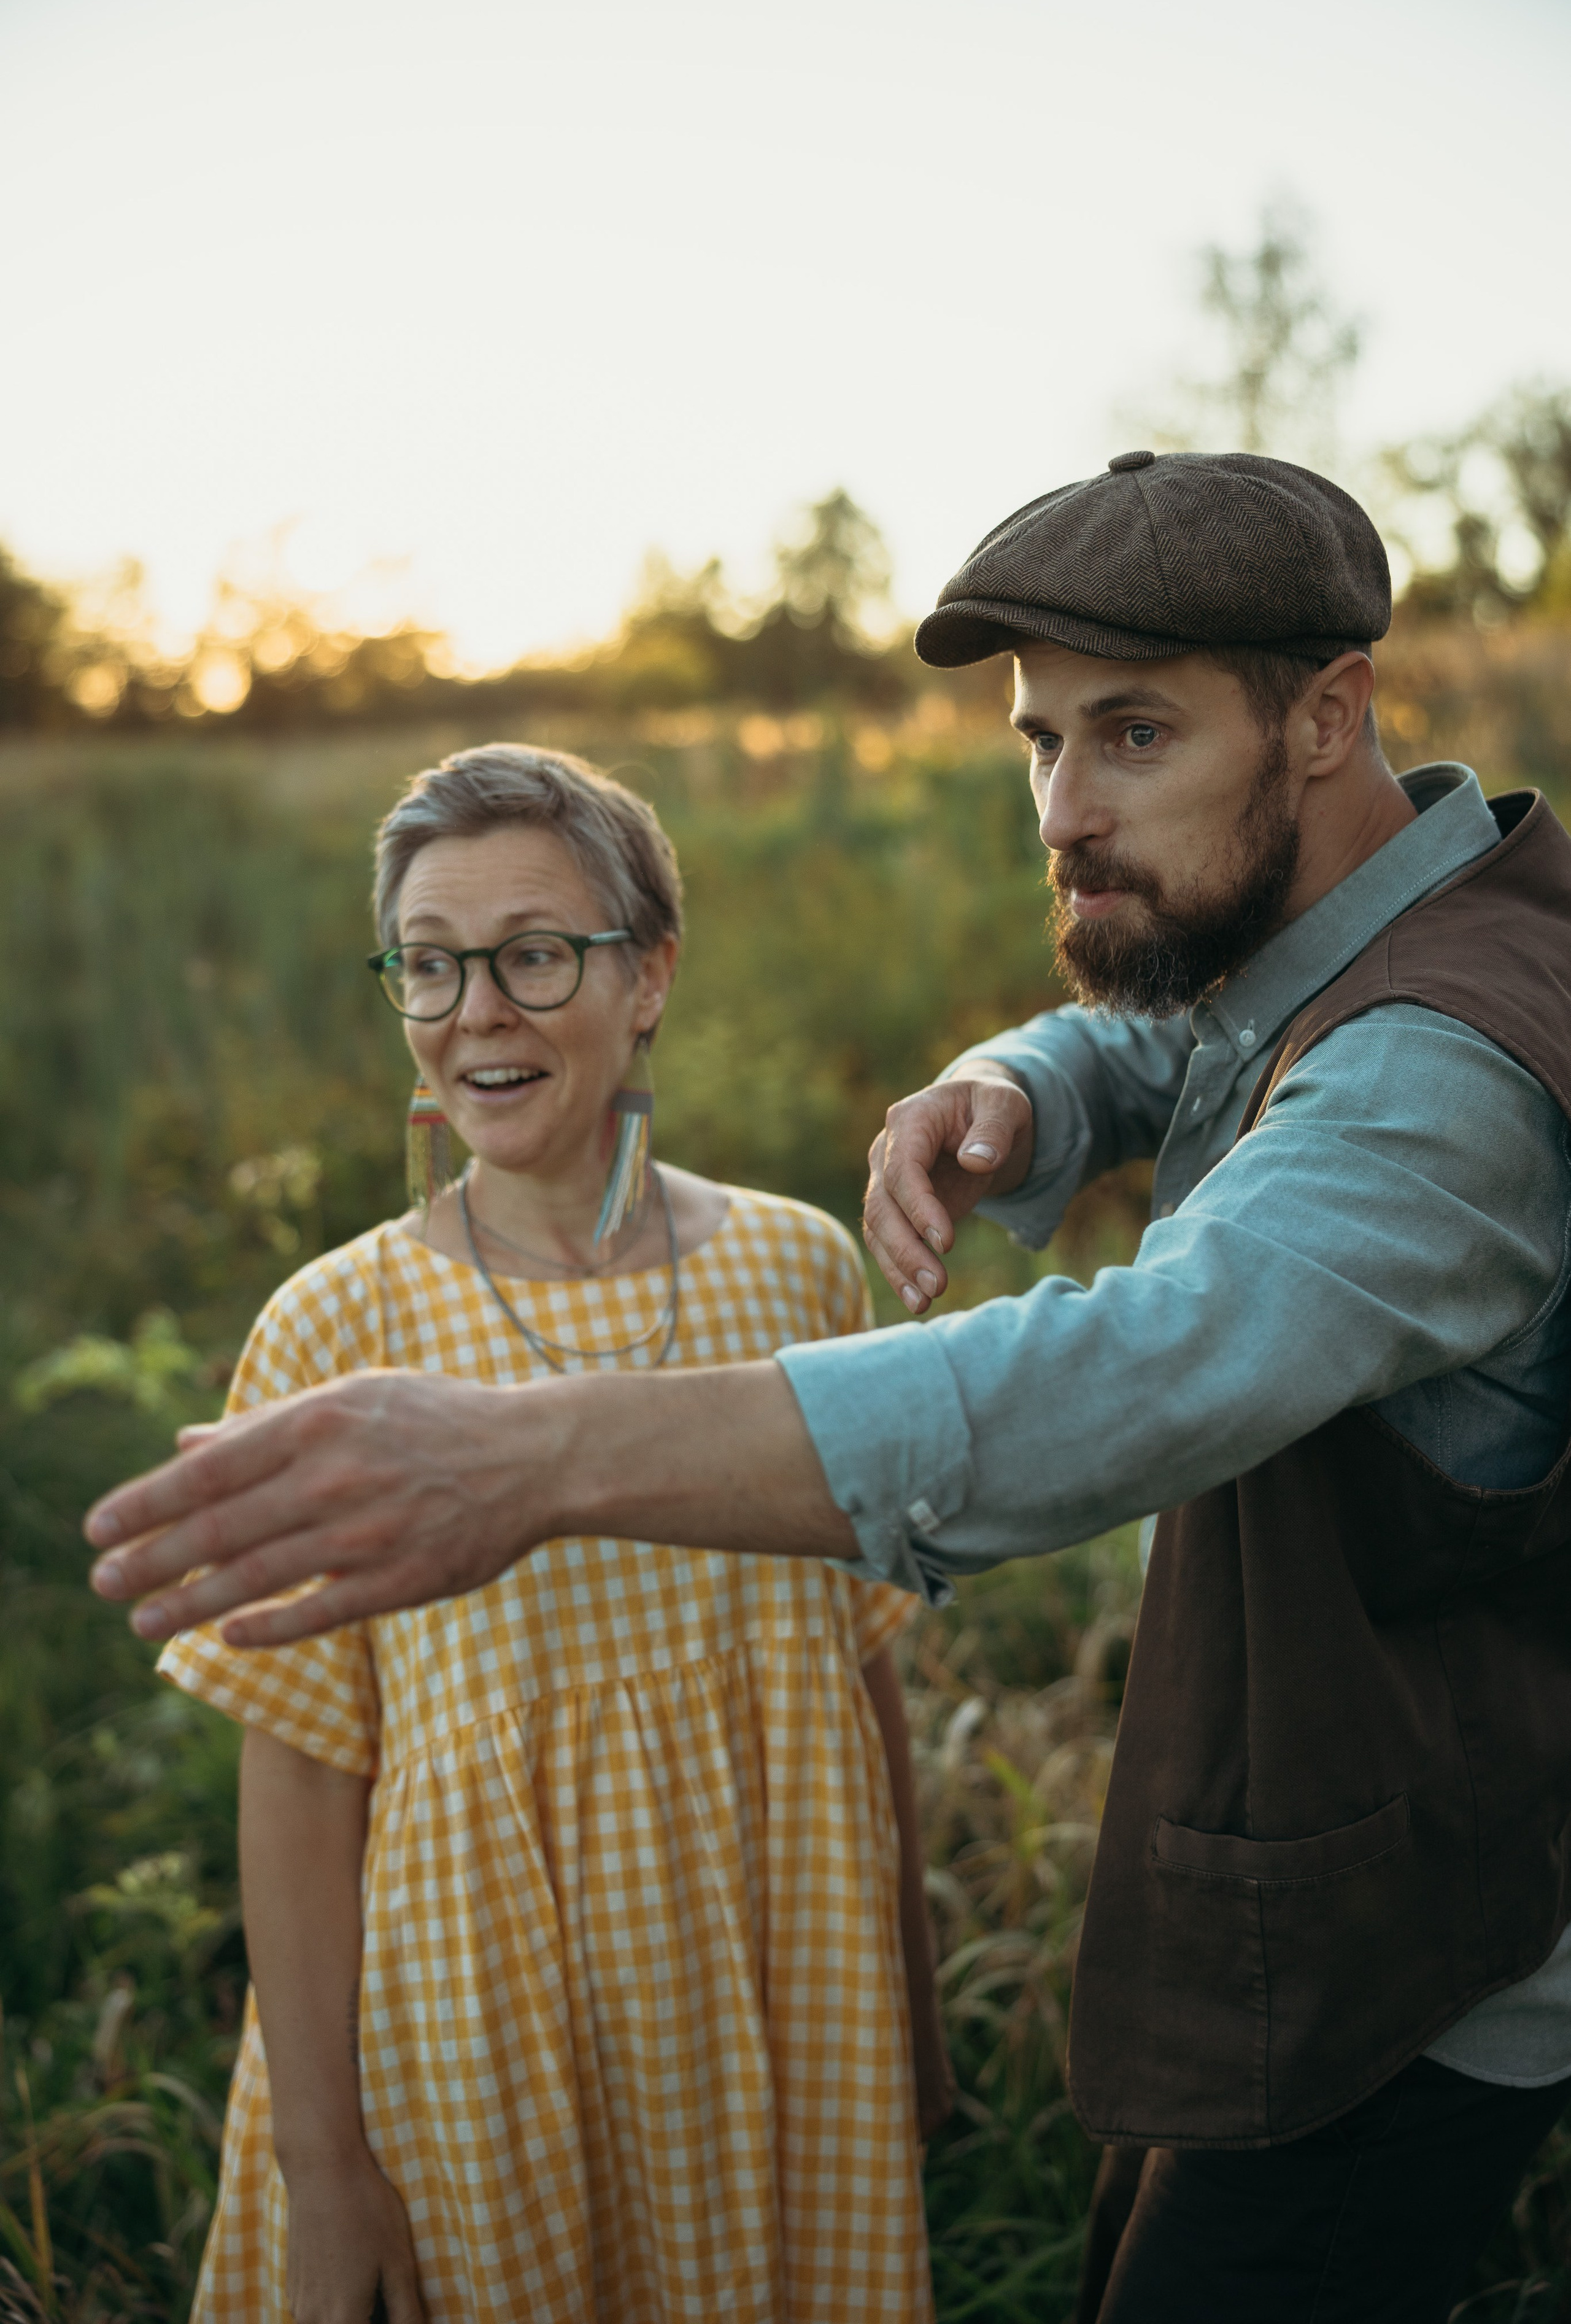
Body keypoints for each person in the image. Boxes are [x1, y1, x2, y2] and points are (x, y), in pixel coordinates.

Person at [91, 454, 1571, 2321]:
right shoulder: (1350, 913)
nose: (1063, 811)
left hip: (1422, 1958)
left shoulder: (1445, 1075)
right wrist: (1023, 1088)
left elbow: (1133, 1368)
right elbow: (1186, 1028)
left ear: (1328, 717)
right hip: (1314, 1894)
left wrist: (536, 1457)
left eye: (1130, 738)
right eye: (1040, 745)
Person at [154, 747, 944, 2324]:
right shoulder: (335, 1328)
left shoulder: (797, 1280)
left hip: (783, 2005)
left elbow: (861, 1692)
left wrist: (909, 2006)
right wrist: (328, 2170)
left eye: (530, 954)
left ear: (645, 976)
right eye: (428, 967)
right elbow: (303, 1774)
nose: (474, 1016)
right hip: (475, 2044)